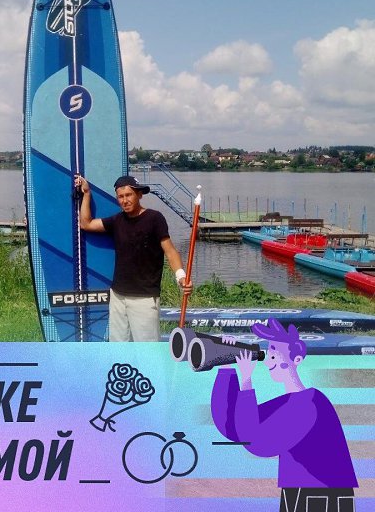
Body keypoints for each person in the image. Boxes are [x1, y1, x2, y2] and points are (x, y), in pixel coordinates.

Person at [211, 319, 357, 512]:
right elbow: (232, 426)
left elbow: (256, 442)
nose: (268, 360)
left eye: (274, 354)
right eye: (269, 354)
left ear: (296, 360)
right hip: (299, 493)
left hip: (322, 495)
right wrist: (226, 367)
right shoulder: (289, 403)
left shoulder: (310, 404)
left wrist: (246, 381)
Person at [75, 174, 192, 342]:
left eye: (129, 195)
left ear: (139, 195)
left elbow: (171, 251)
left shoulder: (155, 218)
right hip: (118, 296)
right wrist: (87, 194)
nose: (125, 200)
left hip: (144, 298)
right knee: (119, 348)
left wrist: (181, 276)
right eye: (120, 197)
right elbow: (86, 223)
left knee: (147, 350)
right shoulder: (117, 221)